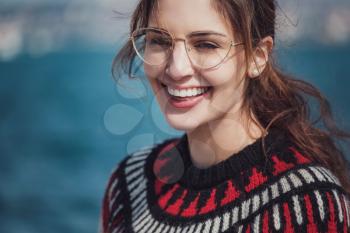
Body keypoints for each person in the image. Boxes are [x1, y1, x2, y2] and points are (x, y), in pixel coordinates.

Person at [99, 0, 350, 232]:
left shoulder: (307, 200)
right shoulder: (128, 185)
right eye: (159, 41)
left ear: (258, 56)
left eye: (206, 44)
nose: (176, 68)